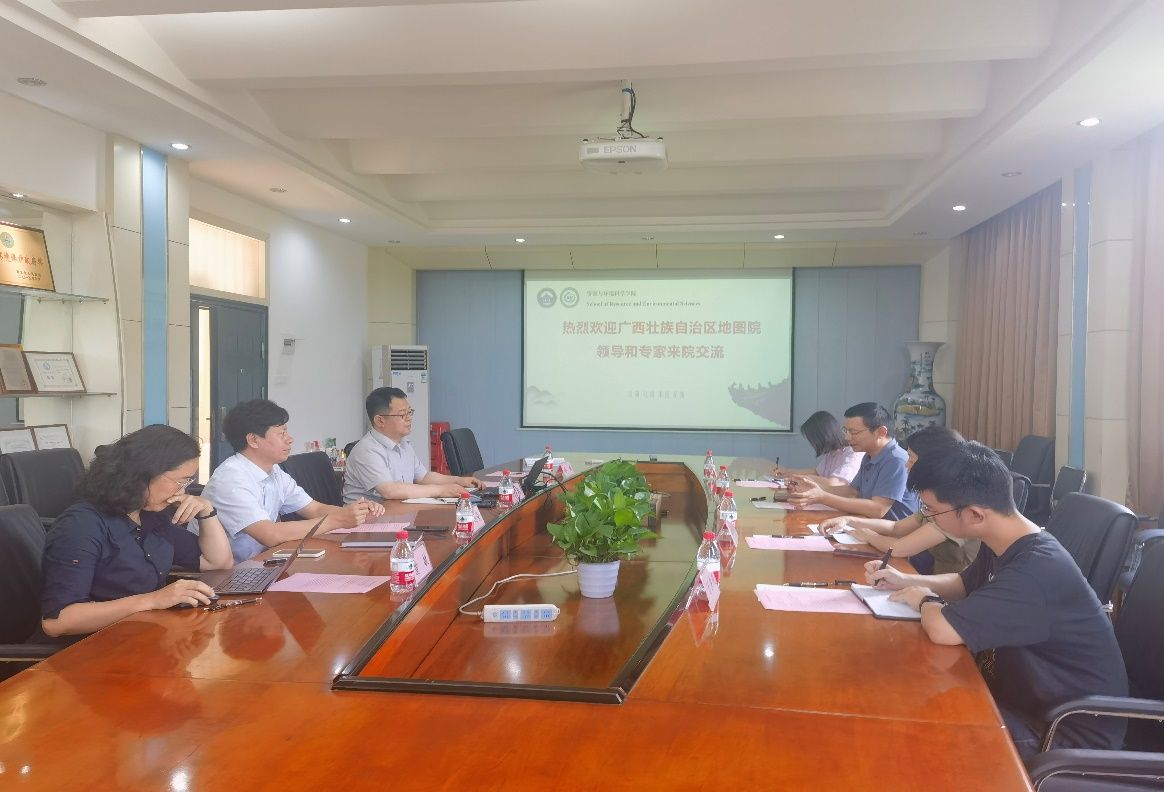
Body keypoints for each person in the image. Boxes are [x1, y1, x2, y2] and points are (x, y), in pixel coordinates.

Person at [866, 441, 1128, 758]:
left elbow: (943, 630)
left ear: (975, 514)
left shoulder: (1035, 570)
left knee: (912, 731)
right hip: (1021, 702)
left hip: (1060, 734)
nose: (929, 517)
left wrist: (925, 600)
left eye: (932, 511)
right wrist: (906, 580)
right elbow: (964, 584)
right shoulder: (1004, 541)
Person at [40, 425, 234, 638]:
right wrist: (152, 600)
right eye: (180, 481)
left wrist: (206, 511)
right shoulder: (81, 525)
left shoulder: (151, 515)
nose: (183, 491)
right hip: (92, 646)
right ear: (142, 475)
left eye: (188, 482)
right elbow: (57, 621)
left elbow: (218, 562)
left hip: (143, 634)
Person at [200, 399, 383, 562]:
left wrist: (356, 512)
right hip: (228, 574)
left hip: (262, 562)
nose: (290, 439)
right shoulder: (231, 480)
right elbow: (270, 534)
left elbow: (314, 509)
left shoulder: (274, 471)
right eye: (281, 434)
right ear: (253, 440)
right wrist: (339, 520)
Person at [819, 425, 978, 573]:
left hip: (956, 589)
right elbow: (896, 527)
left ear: (934, 464)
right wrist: (849, 520)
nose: (907, 466)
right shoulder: (938, 495)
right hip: (932, 580)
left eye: (911, 459)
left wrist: (867, 535)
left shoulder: (956, 505)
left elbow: (898, 548)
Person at [344, 387, 483, 502]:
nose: (409, 418)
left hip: (395, 512)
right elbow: (389, 491)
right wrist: (440, 490)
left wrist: (459, 481)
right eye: (402, 415)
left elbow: (423, 477)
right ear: (380, 421)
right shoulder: (367, 450)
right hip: (366, 520)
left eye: (410, 412)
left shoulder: (404, 444)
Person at [785, 402, 919, 519]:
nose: (847, 437)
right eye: (846, 431)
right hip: (867, 524)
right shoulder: (869, 455)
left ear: (881, 432)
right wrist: (813, 488)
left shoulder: (896, 460)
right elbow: (852, 492)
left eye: (853, 432)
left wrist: (822, 497)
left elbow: (878, 509)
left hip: (892, 534)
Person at [771, 410, 863, 485]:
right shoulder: (832, 453)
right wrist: (787, 472)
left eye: (813, 440)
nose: (813, 444)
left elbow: (833, 483)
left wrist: (799, 479)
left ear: (823, 436)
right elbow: (817, 472)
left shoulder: (853, 454)